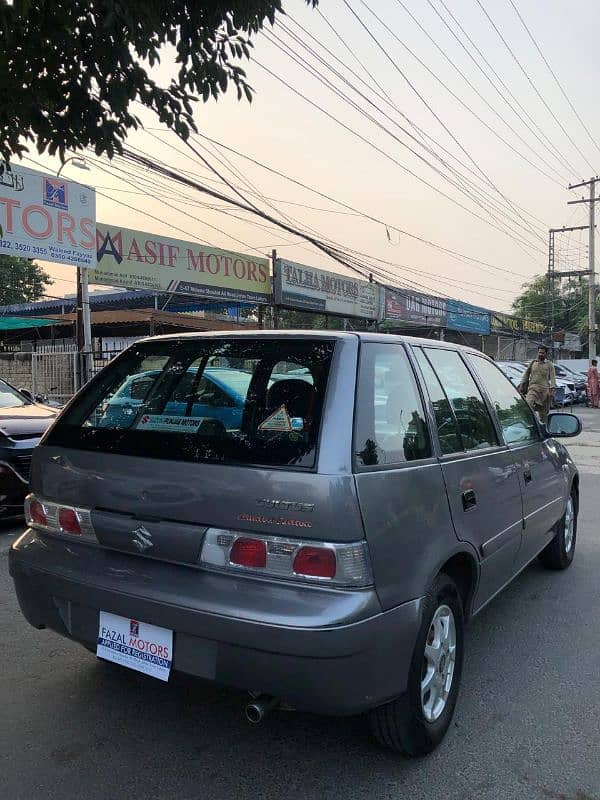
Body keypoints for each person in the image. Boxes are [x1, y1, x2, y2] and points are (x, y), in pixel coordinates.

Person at [518, 346, 556, 423]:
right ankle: (531, 423)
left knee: (543, 416)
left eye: (542, 353)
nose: (540, 354)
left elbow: (553, 378)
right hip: (532, 389)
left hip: (544, 392)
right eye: (539, 352)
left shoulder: (549, 365)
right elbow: (526, 375)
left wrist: (552, 390)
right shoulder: (533, 363)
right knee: (528, 404)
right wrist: (522, 384)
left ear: (546, 354)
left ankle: (543, 429)